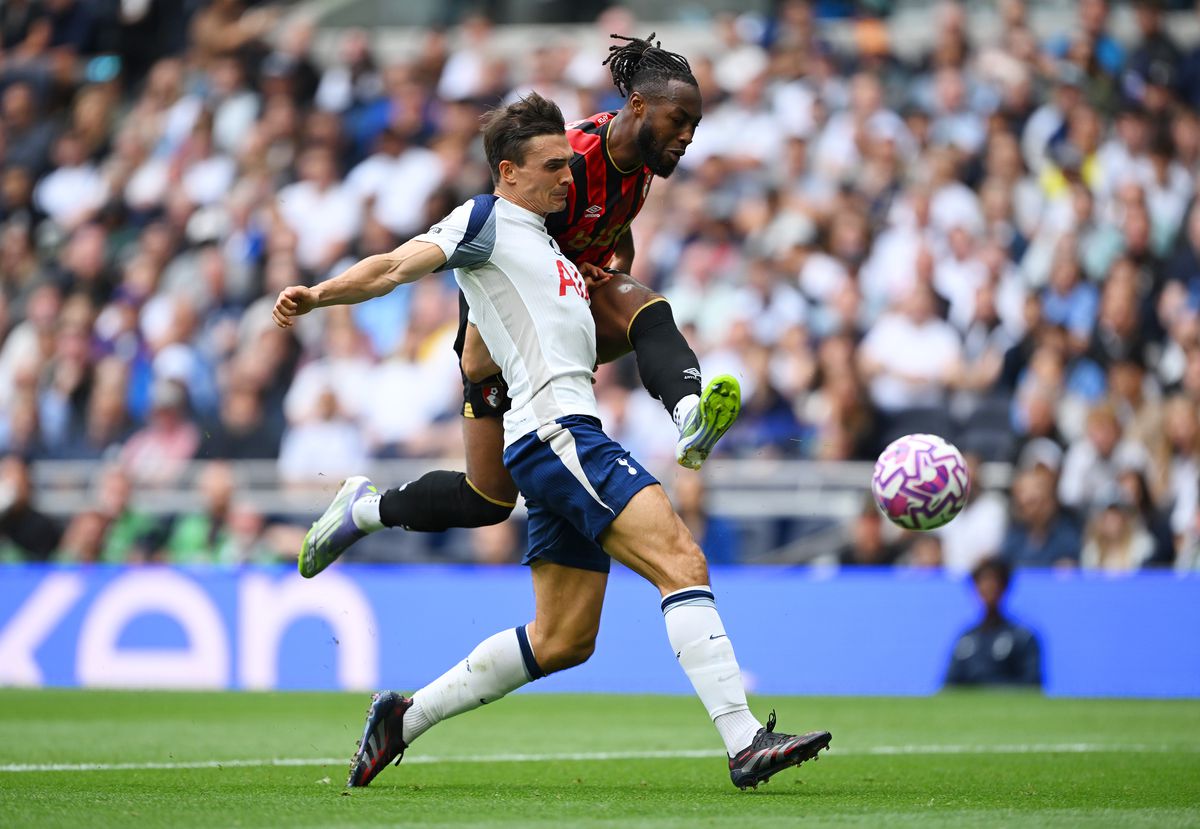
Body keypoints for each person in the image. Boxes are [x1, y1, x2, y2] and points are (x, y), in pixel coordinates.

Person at [272, 93, 829, 791]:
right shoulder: (485, 221)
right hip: (556, 433)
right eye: (552, 168)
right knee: (681, 558)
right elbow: (394, 265)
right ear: (507, 172)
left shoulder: (552, 244)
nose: (569, 180)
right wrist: (318, 294)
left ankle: (401, 720)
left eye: (569, 165)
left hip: (555, 440)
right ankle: (744, 740)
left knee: (564, 638)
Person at [297, 33, 742, 576]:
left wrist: (611, 269)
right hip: (497, 336)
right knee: (485, 501)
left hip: (552, 330)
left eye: (695, 126)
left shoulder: (643, 164)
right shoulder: (566, 160)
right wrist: (319, 295)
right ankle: (363, 511)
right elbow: (505, 242)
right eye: (680, 121)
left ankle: (689, 411)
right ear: (639, 106)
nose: (688, 136)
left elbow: (616, 230)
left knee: (645, 308)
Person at [945, 558, 1042, 687]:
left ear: (1004, 587)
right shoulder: (966, 638)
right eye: (982, 581)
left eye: (993, 581)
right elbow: (949, 685)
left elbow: (1032, 684)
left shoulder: (1023, 637)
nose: (988, 587)